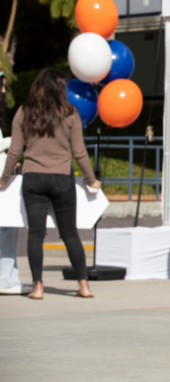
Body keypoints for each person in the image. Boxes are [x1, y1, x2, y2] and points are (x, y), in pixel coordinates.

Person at [0, 69, 100, 299]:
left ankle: (37, 287)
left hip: (33, 178)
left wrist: (4, 180)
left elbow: (15, 151)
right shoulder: (69, 113)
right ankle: (83, 286)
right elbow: (79, 152)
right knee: (70, 233)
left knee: (35, 234)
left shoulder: (24, 112)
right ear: (60, 89)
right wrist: (91, 179)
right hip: (62, 178)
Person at [0, 72, 33, 295]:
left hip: (6, 176)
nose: (4, 91)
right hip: (3, 181)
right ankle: (6, 279)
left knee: (7, 228)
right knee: (6, 228)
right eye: (1, 86)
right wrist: (15, 140)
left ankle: (8, 276)